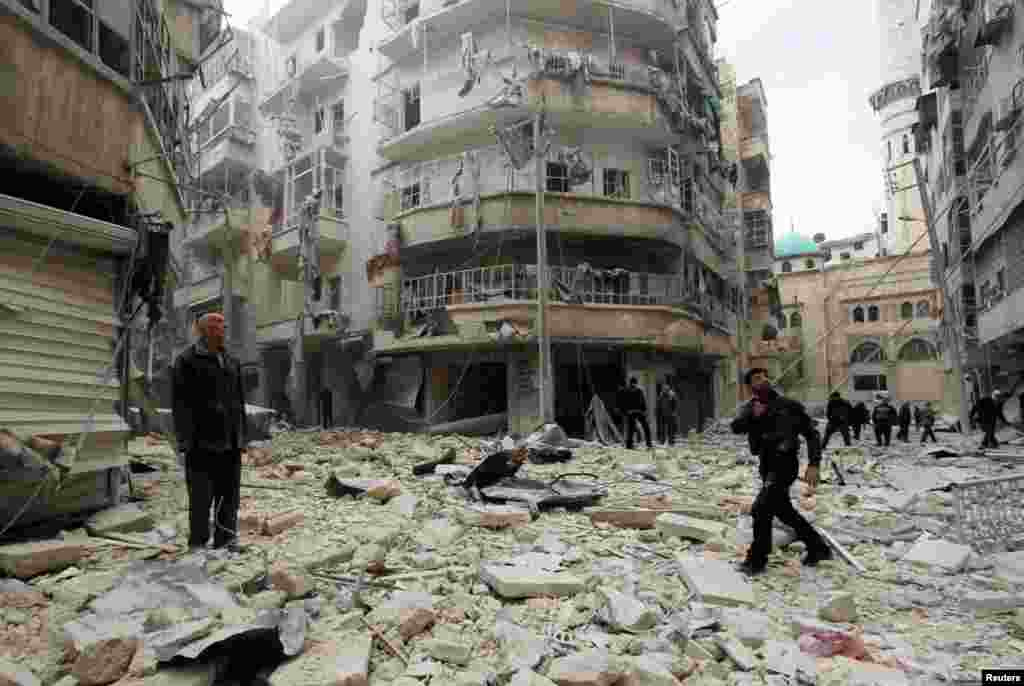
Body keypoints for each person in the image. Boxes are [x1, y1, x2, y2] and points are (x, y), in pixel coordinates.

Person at [730, 368, 832, 576]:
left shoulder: (789, 405)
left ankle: (756, 560)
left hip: (785, 464)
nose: (764, 380)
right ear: (750, 386)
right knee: (784, 512)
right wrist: (753, 417)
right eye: (757, 378)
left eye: (765, 376)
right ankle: (818, 548)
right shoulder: (751, 408)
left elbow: (811, 434)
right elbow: (736, 427)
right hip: (766, 465)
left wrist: (814, 463)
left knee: (760, 509)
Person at [172, 312, 248, 553]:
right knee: (201, 497)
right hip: (201, 442)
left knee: (229, 495)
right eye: (214, 327)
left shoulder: (232, 360)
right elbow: (180, 404)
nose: (221, 330)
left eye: (222, 326)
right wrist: (184, 441)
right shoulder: (186, 360)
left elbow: (239, 401)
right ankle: (198, 542)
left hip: (231, 441)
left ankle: (226, 540)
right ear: (202, 331)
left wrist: (242, 436)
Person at [621, 377, 653, 450]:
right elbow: (642, 401)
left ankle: (630, 445)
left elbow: (623, 402)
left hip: (634, 412)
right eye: (633, 383)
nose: (633, 385)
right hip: (636, 412)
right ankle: (648, 444)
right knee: (642, 428)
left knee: (632, 429)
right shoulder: (636, 391)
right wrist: (644, 410)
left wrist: (626, 411)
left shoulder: (629, 391)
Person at [658, 381, 679, 446]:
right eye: (664, 389)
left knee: (671, 429)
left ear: (668, 389)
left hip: (670, 414)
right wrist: (659, 412)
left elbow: (675, 404)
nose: (664, 391)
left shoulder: (672, 394)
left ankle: (671, 442)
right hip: (663, 414)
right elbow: (659, 404)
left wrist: (673, 412)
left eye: (666, 389)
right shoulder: (661, 395)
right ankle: (662, 441)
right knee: (663, 429)